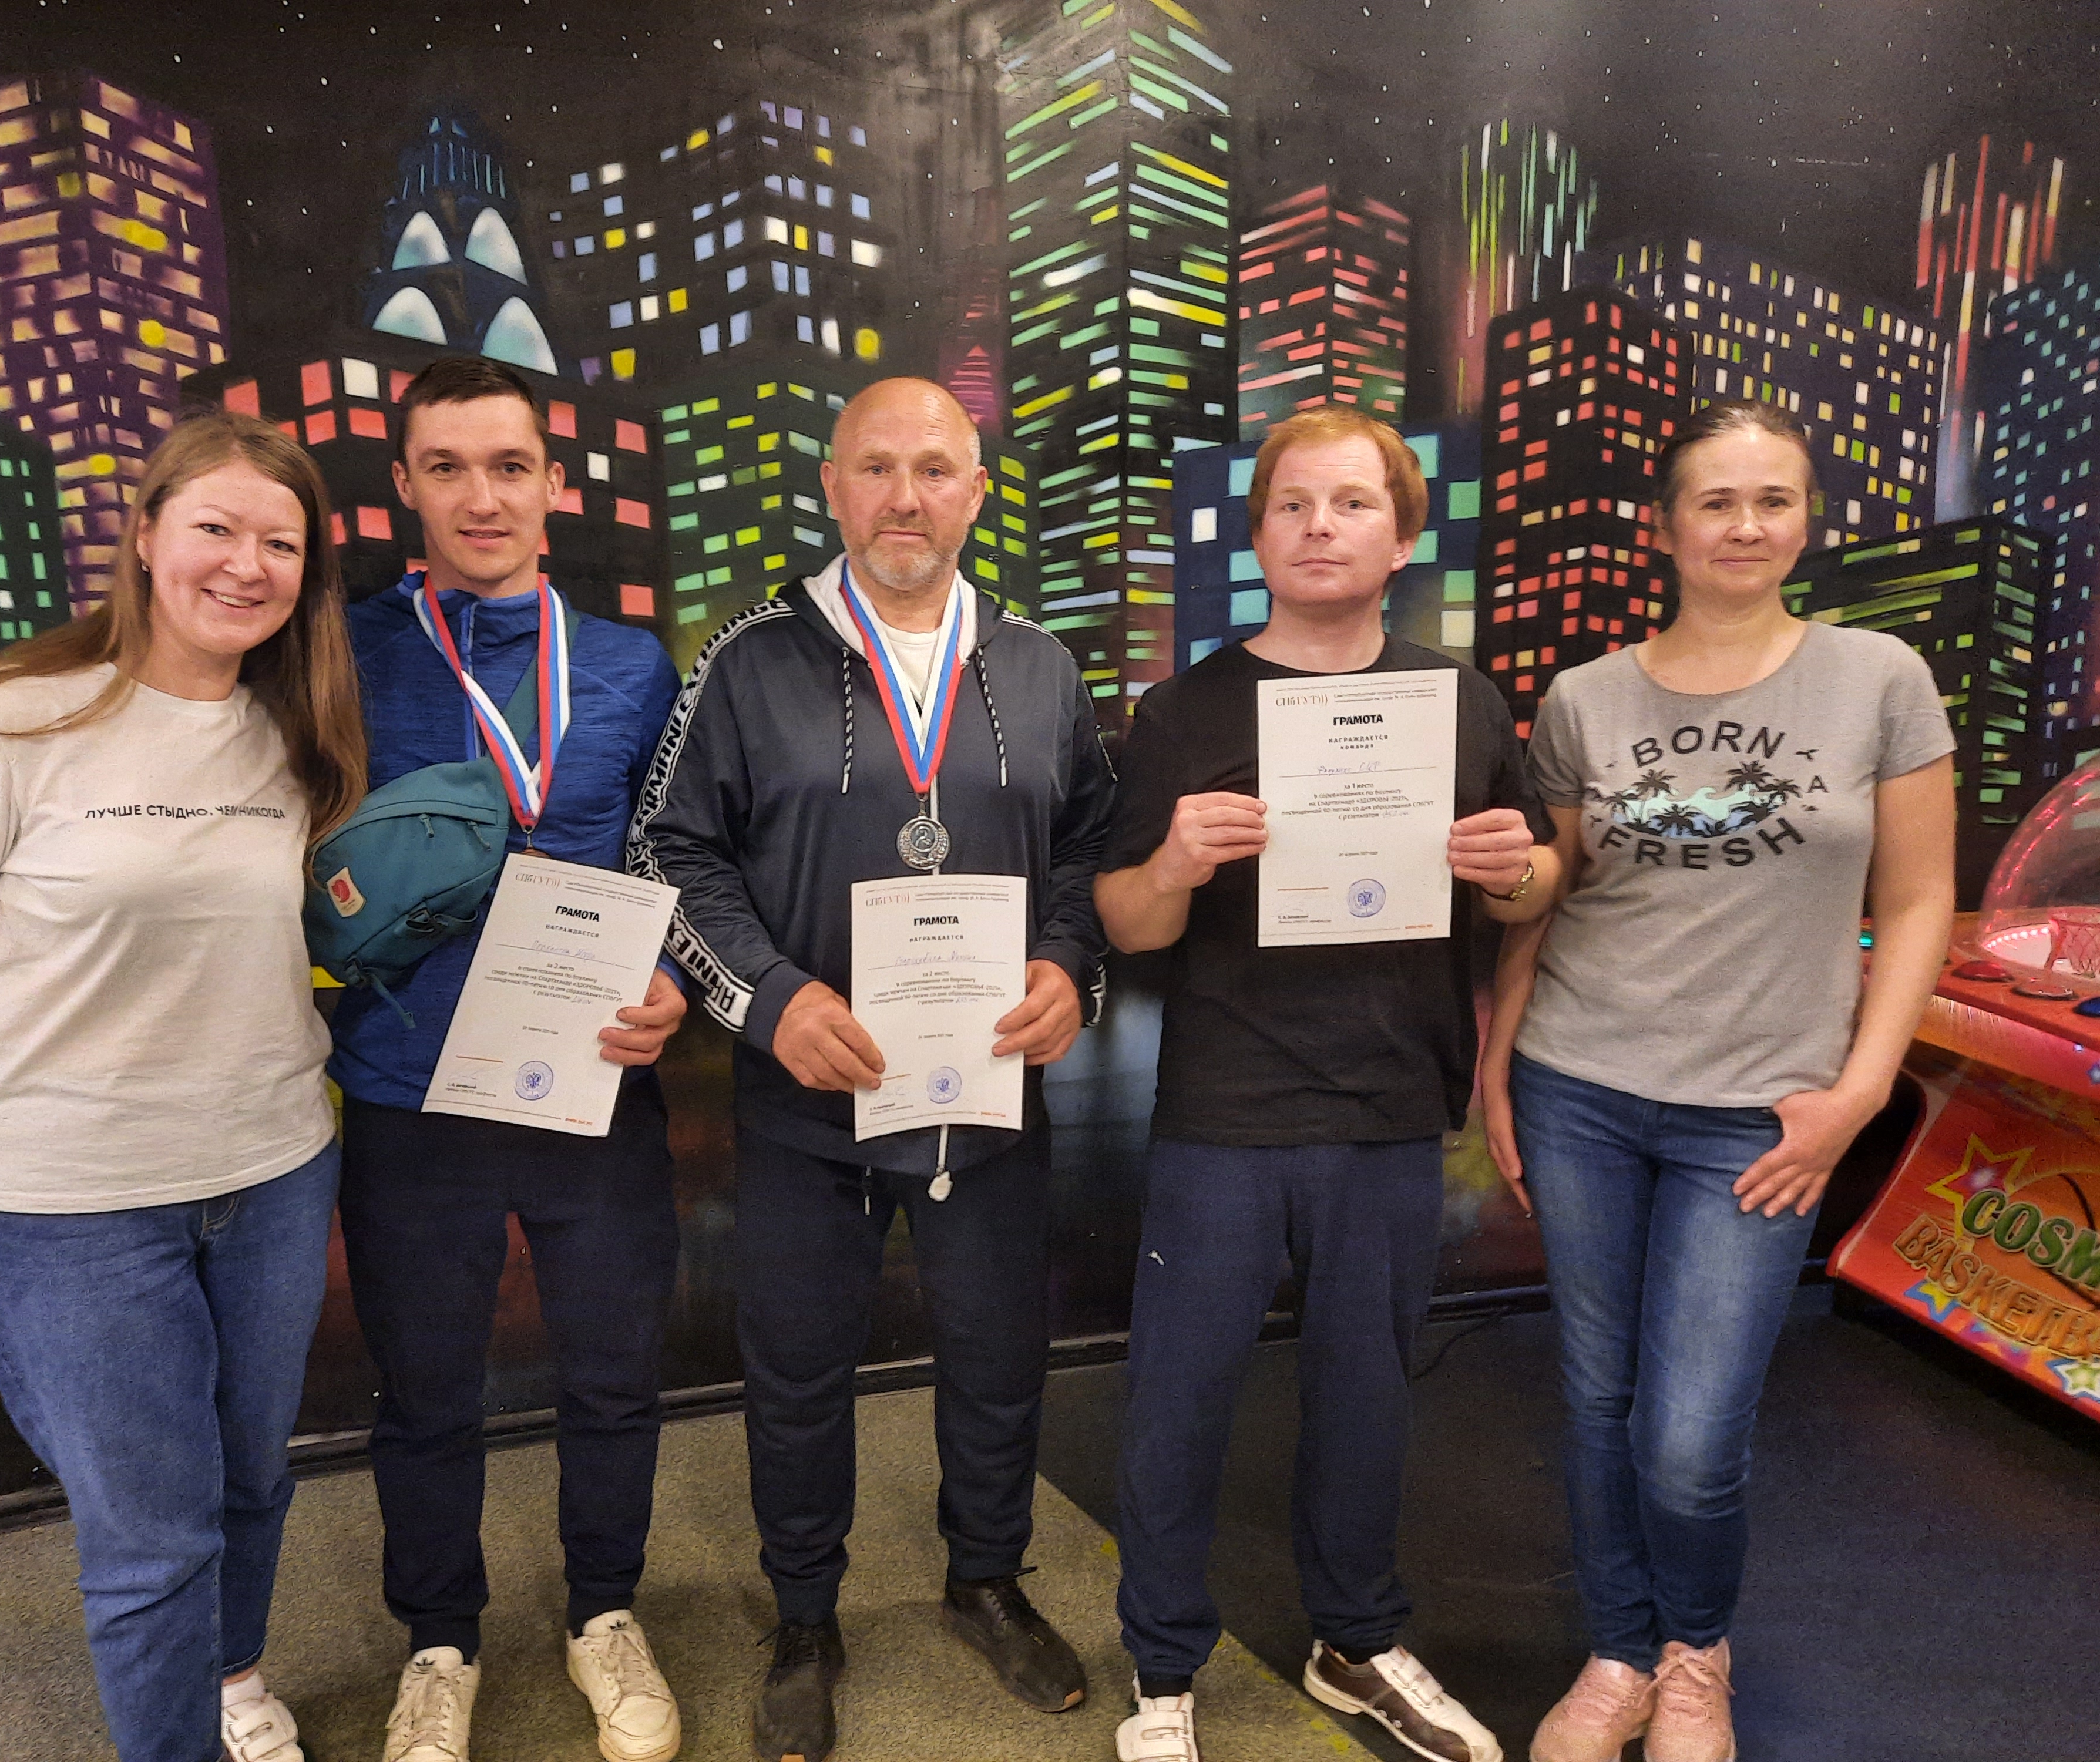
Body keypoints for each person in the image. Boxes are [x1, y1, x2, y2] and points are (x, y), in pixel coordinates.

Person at [0, 412, 368, 1762]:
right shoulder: (11, 721)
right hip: (68, 1207)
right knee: (150, 1541)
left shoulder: (293, 734)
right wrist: (33, 1084)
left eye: (279, 543)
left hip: (268, 1174)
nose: (245, 565)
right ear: (143, 537)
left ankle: (232, 1680)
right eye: (216, 529)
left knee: (249, 1482)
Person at [628, 376, 1112, 1762]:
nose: (907, 497)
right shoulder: (746, 659)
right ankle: (803, 1619)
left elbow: (1089, 846)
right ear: (832, 487)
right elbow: (668, 846)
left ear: (976, 491)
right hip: (808, 1098)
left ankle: (986, 1578)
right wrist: (767, 1000)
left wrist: (1070, 965)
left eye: (935, 470)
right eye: (877, 469)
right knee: (794, 1374)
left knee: (996, 1356)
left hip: (987, 1096)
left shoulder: (1039, 665)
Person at [1477, 402, 1956, 1762]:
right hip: (1579, 1085)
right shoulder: (1586, 697)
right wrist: (1498, 1065)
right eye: (1714, 502)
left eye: (1771, 500)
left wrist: (1857, 1095)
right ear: (1663, 528)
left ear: (1804, 521)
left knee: (1689, 1438)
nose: (1743, 526)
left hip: (1760, 1115)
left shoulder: (1877, 679)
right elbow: (1548, 898)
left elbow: (1917, 902)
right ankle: (1620, 1653)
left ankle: (1695, 1653)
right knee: (1595, 1401)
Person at [1094, 407, 1559, 1762]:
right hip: (1225, 1112)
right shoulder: (1181, 711)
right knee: (1177, 1403)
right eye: (1291, 505)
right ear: (1256, 536)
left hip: (1390, 1110)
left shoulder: (1458, 702)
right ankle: (1161, 1672)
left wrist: (1511, 870)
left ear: (1401, 538)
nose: (1318, 528)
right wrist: (1171, 864)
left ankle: (1353, 1643)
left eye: (1351, 504)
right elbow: (1125, 925)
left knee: (1365, 1402)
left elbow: (1533, 881)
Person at [325, 357, 690, 1762]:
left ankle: (605, 1611)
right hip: (408, 1088)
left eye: (507, 466)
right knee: (425, 1391)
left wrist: (673, 982)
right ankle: (439, 1642)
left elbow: (677, 860)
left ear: (553, 483)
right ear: (404, 486)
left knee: (610, 1373)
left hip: (593, 1074)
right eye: (447, 468)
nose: (480, 497)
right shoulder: (342, 654)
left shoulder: (629, 665)